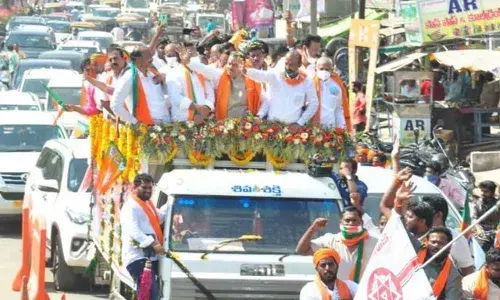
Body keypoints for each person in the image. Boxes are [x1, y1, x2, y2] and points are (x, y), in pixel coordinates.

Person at [296, 207, 378, 283]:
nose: (351, 223)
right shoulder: (330, 240)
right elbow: (302, 250)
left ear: (361, 222)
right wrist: (313, 228)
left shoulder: (374, 242)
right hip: (338, 293)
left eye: (354, 220)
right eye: (347, 220)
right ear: (341, 222)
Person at [245, 50, 319, 133]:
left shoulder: (306, 81)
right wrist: (245, 71)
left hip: (293, 130)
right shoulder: (276, 75)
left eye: (291, 65)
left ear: (299, 64)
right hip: (272, 127)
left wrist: (299, 123)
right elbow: (259, 75)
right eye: (286, 63)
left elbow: (314, 104)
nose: (287, 67)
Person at [121, 174, 167, 300]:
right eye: (144, 187)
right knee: (149, 295)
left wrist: (174, 203)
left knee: (150, 295)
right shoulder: (131, 206)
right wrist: (154, 244)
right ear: (134, 187)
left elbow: (160, 217)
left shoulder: (147, 204)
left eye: (150, 188)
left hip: (150, 257)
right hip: (138, 258)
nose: (148, 190)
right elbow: (133, 230)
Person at [184, 50, 263, 120]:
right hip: (224, 122)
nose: (230, 67)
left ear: (242, 65)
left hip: (246, 122)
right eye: (229, 64)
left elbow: (263, 99)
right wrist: (188, 62)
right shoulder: (220, 75)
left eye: (234, 65)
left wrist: (259, 116)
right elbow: (204, 69)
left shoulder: (252, 79)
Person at [111, 46, 171, 125]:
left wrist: (164, 78)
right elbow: (115, 105)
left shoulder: (153, 73)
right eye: (147, 56)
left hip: (165, 124)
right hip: (145, 128)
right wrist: (135, 122)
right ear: (137, 59)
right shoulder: (129, 77)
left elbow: (167, 93)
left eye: (151, 56)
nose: (151, 59)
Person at [422, 195, 475, 276]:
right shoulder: (418, 233)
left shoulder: (456, 239)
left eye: (425, 213)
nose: (421, 216)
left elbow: (468, 271)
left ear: (438, 215)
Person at [169, 45, 213, 123]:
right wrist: (197, 108)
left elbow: (210, 93)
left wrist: (206, 108)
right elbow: (176, 97)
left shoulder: (200, 73)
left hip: (204, 117)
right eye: (189, 56)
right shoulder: (173, 73)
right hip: (184, 119)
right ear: (181, 58)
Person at [417, 226, 463, 300]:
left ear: (449, 247)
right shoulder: (415, 252)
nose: (436, 246)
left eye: (441, 243)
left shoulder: (453, 275)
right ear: (427, 242)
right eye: (433, 242)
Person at [311, 56, 347, 129]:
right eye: (321, 69)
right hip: (312, 127)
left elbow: (338, 108)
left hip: (330, 127)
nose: (324, 72)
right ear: (316, 69)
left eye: (327, 69)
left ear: (331, 70)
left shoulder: (336, 86)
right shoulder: (310, 85)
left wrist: (342, 128)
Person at [471, 180, 500, 252]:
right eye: (481, 191)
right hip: (481, 235)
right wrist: (478, 228)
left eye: (486, 192)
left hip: (496, 233)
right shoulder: (477, 203)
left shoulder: (497, 204)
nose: (482, 194)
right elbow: (474, 218)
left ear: (492, 193)